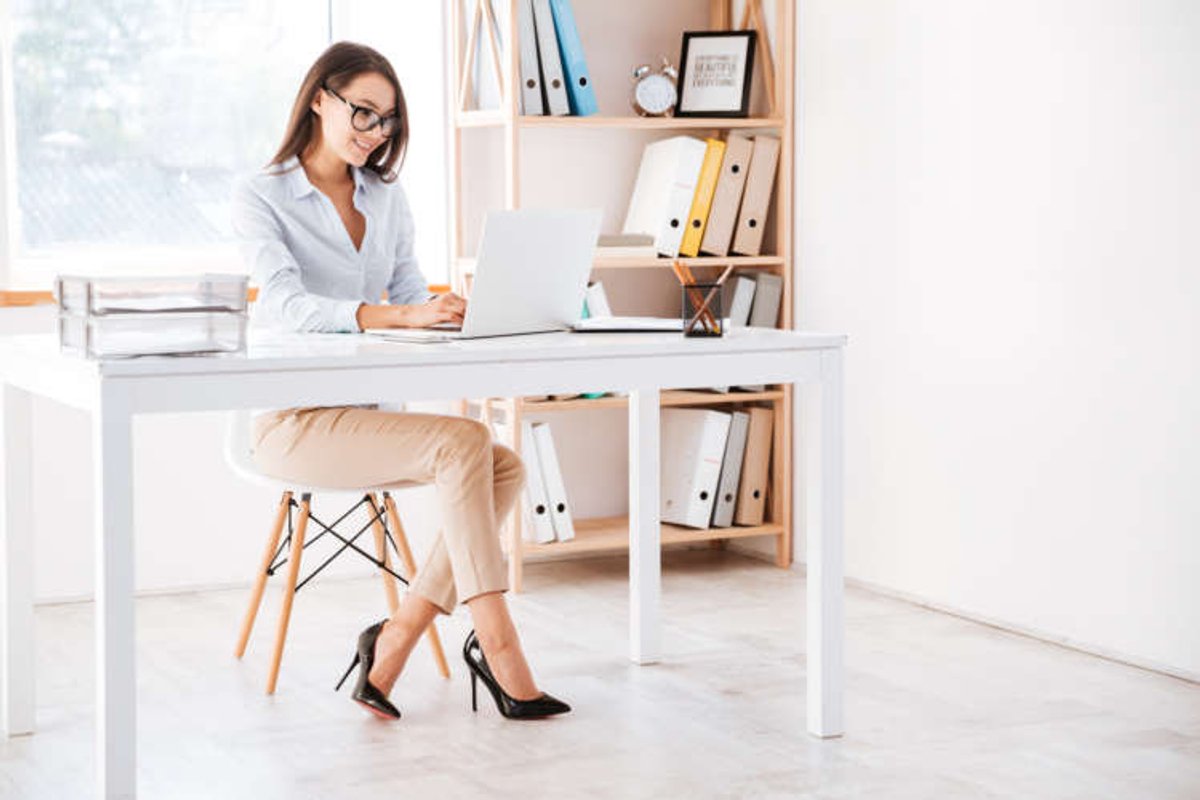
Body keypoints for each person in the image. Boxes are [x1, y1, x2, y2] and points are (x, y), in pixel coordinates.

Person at [231, 41, 569, 721]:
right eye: (363, 113)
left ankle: (393, 642)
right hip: (293, 424)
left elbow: (411, 290)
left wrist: (446, 315)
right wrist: (400, 312)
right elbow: (287, 306)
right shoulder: (261, 195)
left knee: (502, 468)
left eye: (386, 121)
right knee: (464, 443)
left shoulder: (384, 195)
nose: (374, 133)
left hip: (372, 416)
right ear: (319, 99)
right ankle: (500, 646)